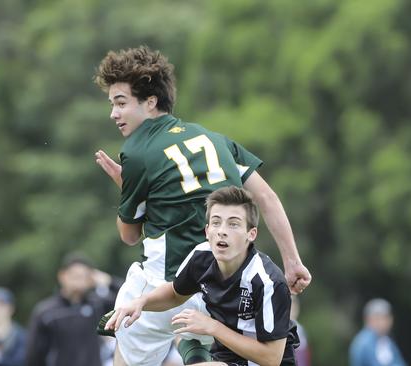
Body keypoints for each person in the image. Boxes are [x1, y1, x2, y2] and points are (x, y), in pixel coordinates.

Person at [93, 45, 310, 365]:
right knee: (198, 339)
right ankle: (195, 351)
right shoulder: (216, 139)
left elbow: (129, 235)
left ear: (150, 102)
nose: (114, 113)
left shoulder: (138, 150)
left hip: (167, 287)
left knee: (128, 347)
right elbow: (267, 197)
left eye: (121, 103)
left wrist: (125, 188)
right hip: (225, 293)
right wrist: (292, 261)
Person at [106, 186, 299, 365]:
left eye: (233, 224)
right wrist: (141, 302)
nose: (222, 231)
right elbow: (175, 294)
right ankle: (192, 348)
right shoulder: (202, 257)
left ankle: (192, 348)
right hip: (224, 358)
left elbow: (272, 357)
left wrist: (212, 327)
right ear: (207, 231)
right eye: (216, 223)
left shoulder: (268, 281)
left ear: (251, 234)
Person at [25, 253, 120, 366]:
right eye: (75, 275)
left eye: (84, 276)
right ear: (62, 276)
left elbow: (129, 300)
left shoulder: (98, 305)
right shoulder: (46, 313)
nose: (79, 280)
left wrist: (109, 281)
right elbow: (34, 356)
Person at [349, 298, 406, 366]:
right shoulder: (364, 342)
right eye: (382, 318)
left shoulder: (386, 340)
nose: (387, 322)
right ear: (369, 319)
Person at [289, 294, 311, 366]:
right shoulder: (279, 328)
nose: (292, 309)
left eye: (294, 306)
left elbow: (305, 355)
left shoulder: (301, 329)